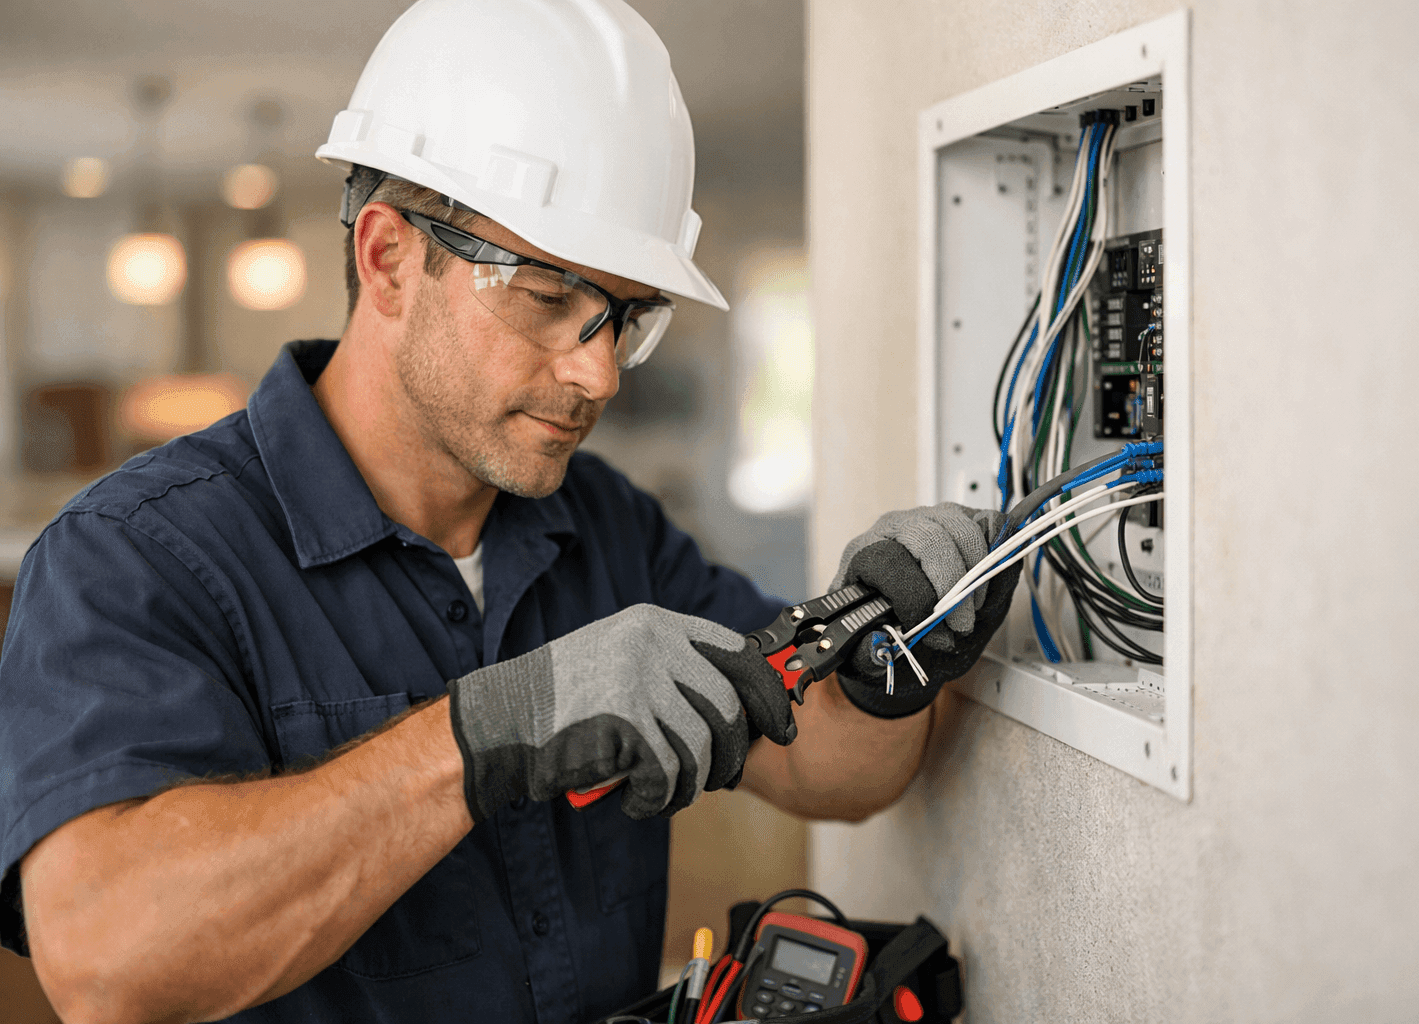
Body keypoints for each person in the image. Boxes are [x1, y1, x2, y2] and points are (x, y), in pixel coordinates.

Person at [0, 2, 1018, 1022]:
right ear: (389, 259)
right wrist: (486, 734)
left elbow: (825, 767)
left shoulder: (604, 524)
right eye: (545, 298)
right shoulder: (136, 555)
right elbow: (103, 957)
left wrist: (895, 664)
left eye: (625, 317)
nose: (599, 374)